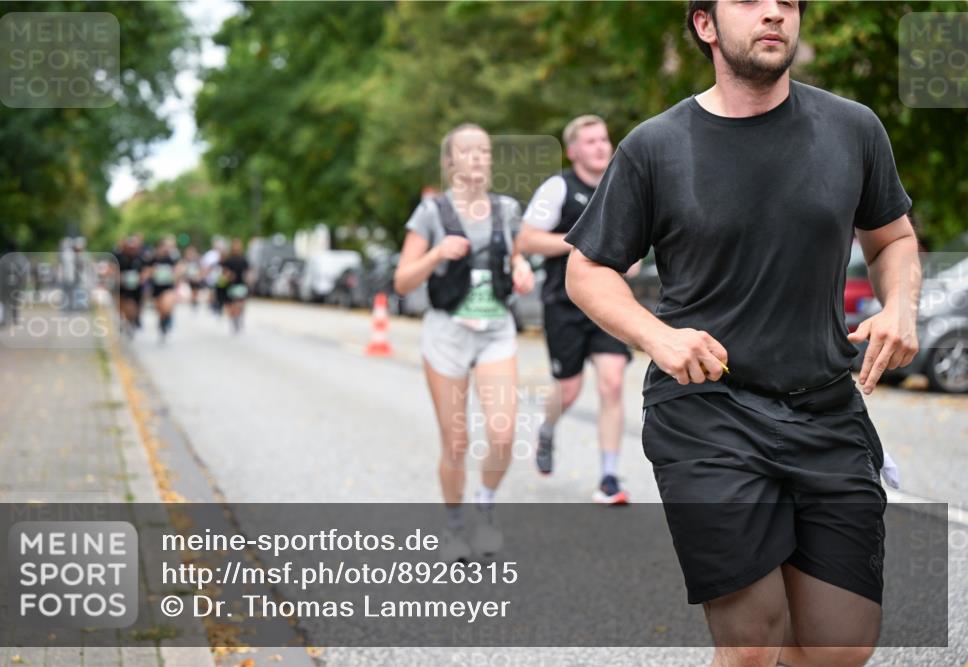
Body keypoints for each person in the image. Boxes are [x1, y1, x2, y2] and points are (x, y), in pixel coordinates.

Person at [563, 1, 920, 665]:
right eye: (753, 1)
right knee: (753, 641)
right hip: (706, 410)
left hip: (825, 408)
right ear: (705, 25)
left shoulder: (852, 129)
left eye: (787, 3)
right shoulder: (656, 146)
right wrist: (658, 336)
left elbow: (892, 237)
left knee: (840, 646)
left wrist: (902, 304)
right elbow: (587, 270)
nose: (774, 13)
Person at [394, 123, 534, 560]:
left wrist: (523, 268)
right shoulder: (432, 213)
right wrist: (436, 254)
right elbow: (401, 281)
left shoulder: (507, 209)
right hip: (448, 332)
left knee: (503, 432)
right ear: (450, 161)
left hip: (495, 330)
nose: (477, 158)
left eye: (484, 151)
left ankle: (484, 505)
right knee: (455, 441)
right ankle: (455, 527)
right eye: (467, 151)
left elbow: (516, 256)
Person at [517, 115, 637, 504]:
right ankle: (548, 427)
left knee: (613, 382)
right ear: (572, 151)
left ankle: (609, 477)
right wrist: (583, 245)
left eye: (604, 139)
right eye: (590, 141)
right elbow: (527, 239)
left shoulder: (620, 187)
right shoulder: (559, 187)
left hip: (610, 301)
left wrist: (626, 256)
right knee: (568, 390)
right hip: (564, 303)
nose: (601, 146)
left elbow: (631, 257)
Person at [147, 235, 182, 343]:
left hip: (168, 287)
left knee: (166, 306)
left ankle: (167, 319)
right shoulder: (152, 258)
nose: (166, 248)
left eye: (169, 246)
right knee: (160, 310)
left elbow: (179, 270)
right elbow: (146, 271)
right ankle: (163, 322)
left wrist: (176, 275)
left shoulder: (173, 258)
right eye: (164, 246)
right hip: (156, 288)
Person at [114, 236, 146, 338]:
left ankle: (133, 320)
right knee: (124, 305)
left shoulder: (140, 257)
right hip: (123, 287)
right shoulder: (119, 257)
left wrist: (142, 277)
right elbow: (112, 268)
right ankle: (126, 321)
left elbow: (146, 269)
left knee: (135, 305)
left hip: (136, 288)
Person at [220, 238, 250, 333]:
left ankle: (240, 317)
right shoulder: (229, 260)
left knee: (241, 303)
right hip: (232, 285)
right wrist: (228, 276)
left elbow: (247, 271)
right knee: (232, 305)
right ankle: (234, 321)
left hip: (241, 284)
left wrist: (248, 278)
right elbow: (224, 272)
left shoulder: (243, 259)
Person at [182, 245, 204, 309]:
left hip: (195, 280)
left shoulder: (197, 261)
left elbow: (201, 270)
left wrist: (198, 277)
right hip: (187, 281)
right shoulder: (184, 261)